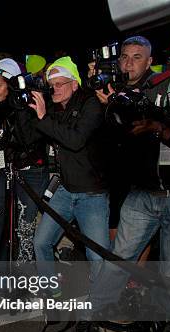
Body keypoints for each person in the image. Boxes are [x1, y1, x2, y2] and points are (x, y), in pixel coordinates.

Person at [87, 28, 170, 318]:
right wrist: (114, 104)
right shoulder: (155, 86)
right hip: (141, 191)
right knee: (119, 259)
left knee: (169, 272)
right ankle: (96, 317)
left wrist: (159, 127)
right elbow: (127, 129)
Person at [30, 57, 109, 295]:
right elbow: (34, 136)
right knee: (41, 242)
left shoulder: (90, 104)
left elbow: (75, 141)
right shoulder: (55, 108)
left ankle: (100, 307)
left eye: (60, 83)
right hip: (65, 190)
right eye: (52, 84)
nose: (55, 88)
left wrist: (44, 119)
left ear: (75, 84)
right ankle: (52, 292)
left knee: (98, 256)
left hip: (91, 193)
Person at [0, 58, 49, 261]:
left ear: (12, 84)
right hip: (4, 169)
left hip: (30, 170)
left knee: (25, 224)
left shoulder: (28, 102)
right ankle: (1, 265)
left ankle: (24, 274)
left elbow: (28, 140)